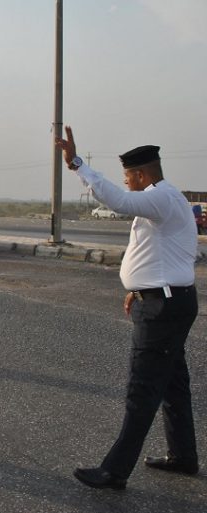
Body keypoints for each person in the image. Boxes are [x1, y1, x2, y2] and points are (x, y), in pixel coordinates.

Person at [56, 126, 199, 490]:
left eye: (128, 177)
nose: (127, 183)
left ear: (140, 174)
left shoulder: (161, 197)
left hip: (163, 309)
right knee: (172, 383)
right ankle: (183, 456)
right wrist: (137, 290)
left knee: (143, 388)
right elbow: (158, 253)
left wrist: (77, 164)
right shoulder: (164, 198)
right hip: (164, 300)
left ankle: (114, 471)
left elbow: (118, 201)